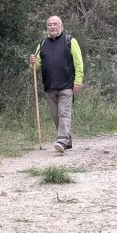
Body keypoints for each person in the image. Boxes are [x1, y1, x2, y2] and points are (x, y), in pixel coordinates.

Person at [29, 16, 84, 153]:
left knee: (63, 113)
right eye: (49, 25)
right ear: (47, 27)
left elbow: (78, 62)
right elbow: (37, 66)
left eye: (55, 24)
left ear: (61, 26)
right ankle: (67, 140)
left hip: (66, 85)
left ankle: (62, 140)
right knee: (55, 115)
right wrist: (32, 62)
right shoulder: (42, 44)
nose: (52, 27)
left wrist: (78, 81)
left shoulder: (70, 41)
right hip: (49, 86)